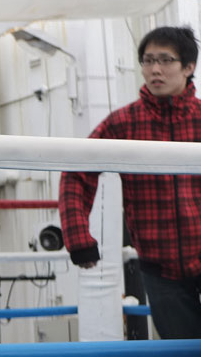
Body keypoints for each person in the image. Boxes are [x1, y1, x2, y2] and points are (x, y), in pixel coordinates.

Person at [58, 26, 201, 339]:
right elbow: (76, 172)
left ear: (189, 67)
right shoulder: (124, 123)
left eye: (165, 60)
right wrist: (79, 238)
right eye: (148, 60)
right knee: (184, 349)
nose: (155, 69)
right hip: (160, 270)